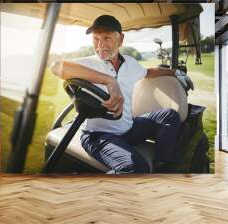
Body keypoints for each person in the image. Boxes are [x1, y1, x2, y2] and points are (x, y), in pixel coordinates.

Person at [50, 15, 193, 174]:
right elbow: (56, 67)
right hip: (98, 136)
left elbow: (148, 72)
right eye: (96, 38)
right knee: (137, 169)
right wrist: (109, 81)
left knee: (169, 115)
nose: (100, 45)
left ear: (121, 39)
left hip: (128, 128)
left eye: (107, 38)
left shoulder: (130, 63)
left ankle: (164, 166)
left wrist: (176, 72)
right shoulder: (89, 63)